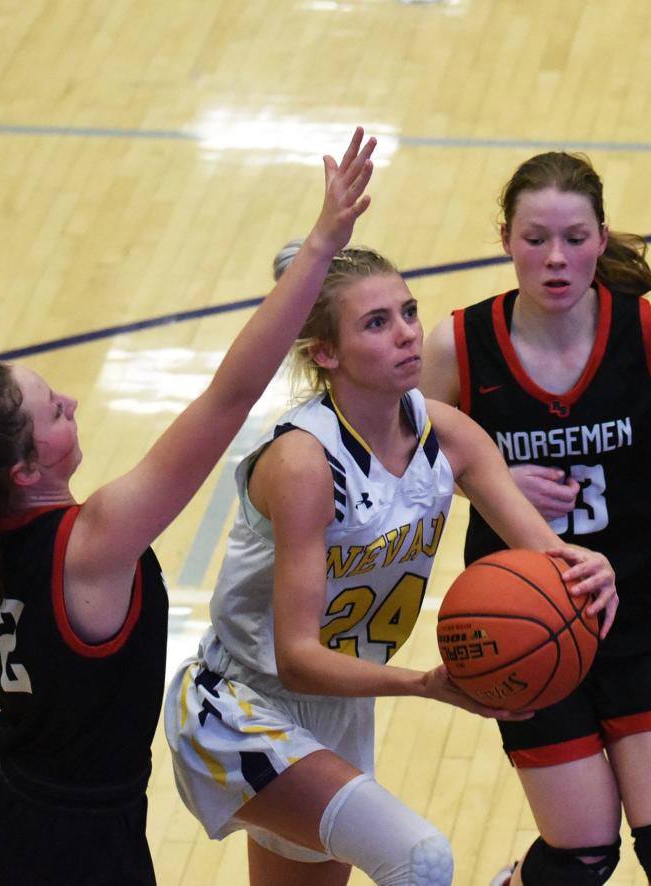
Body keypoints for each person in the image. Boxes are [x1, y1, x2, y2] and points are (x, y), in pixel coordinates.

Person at [0, 126, 380, 885]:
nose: (70, 401)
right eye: (52, 413)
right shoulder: (89, 544)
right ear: (26, 468)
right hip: (74, 846)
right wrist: (321, 246)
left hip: (6, 806)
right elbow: (229, 397)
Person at [163, 235, 619, 886]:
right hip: (241, 708)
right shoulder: (304, 465)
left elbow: (549, 559)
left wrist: (589, 572)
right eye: (377, 323)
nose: (408, 334)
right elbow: (295, 657)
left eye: (408, 311)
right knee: (420, 859)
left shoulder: (451, 435)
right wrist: (424, 685)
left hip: (339, 709)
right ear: (325, 352)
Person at [420, 151, 651, 886]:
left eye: (576, 238)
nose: (556, 259)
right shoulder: (457, 345)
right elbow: (414, 459)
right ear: (504, 239)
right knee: (584, 859)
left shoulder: (650, 332)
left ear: (602, 238)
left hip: (643, 609)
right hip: (523, 619)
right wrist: (489, 478)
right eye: (534, 239)